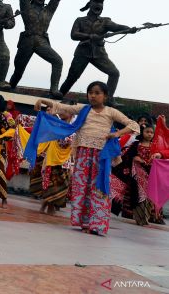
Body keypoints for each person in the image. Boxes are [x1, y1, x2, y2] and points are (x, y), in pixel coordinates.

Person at [34, 81, 139, 235]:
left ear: (105, 96)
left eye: (97, 93)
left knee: (98, 189)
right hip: (83, 154)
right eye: (90, 92)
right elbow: (64, 107)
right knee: (81, 187)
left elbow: (134, 125)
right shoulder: (83, 109)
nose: (93, 95)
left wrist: (117, 134)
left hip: (101, 156)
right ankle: (83, 222)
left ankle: (96, 225)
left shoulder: (111, 112)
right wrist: (43, 101)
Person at [59, 0, 136, 100]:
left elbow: (117, 27)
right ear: (90, 4)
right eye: (96, 2)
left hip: (99, 53)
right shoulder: (80, 20)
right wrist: (90, 36)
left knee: (114, 73)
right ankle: (59, 95)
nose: (99, 5)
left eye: (101, 3)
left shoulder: (105, 21)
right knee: (72, 78)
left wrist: (129, 29)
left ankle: (108, 99)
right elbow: (74, 35)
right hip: (82, 52)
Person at [8, 0, 63, 97]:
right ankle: (10, 87)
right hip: (27, 41)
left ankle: (54, 90)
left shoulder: (49, 9)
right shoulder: (26, 6)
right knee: (18, 71)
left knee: (58, 61)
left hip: (41, 41)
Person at [111, 124, 166, 225]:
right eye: (147, 132)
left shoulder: (156, 145)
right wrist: (135, 157)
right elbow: (127, 155)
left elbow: (162, 156)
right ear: (142, 132)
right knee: (137, 195)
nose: (149, 134)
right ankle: (135, 216)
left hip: (151, 175)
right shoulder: (136, 144)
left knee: (150, 197)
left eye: (151, 132)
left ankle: (149, 217)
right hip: (137, 175)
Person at [29, 109, 74, 215]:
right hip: (51, 159)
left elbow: (72, 145)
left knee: (59, 184)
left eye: (64, 110)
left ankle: (47, 205)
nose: (61, 112)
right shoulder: (54, 124)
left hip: (65, 161)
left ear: (71, 114)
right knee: (50, 183)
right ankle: (47, 206)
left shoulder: (73, 129)